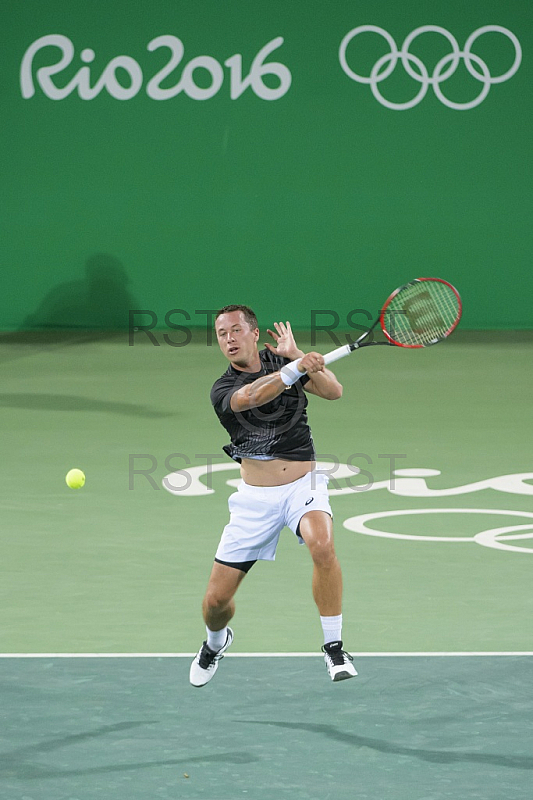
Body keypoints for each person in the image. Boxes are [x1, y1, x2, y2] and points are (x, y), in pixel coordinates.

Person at [189, 304, 357, 686]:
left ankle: (334, 648)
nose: (229, 339)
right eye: (221, 334)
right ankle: (215, 643)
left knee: (322, 545)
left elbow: (334, 391)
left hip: (304, 484)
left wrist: (299, 357)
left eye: (235, 330)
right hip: (255, 500)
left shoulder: (283, 360)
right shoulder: (223, 389)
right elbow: (252, 397)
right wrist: (294, 368)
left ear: (253, 332)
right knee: (215, 603)